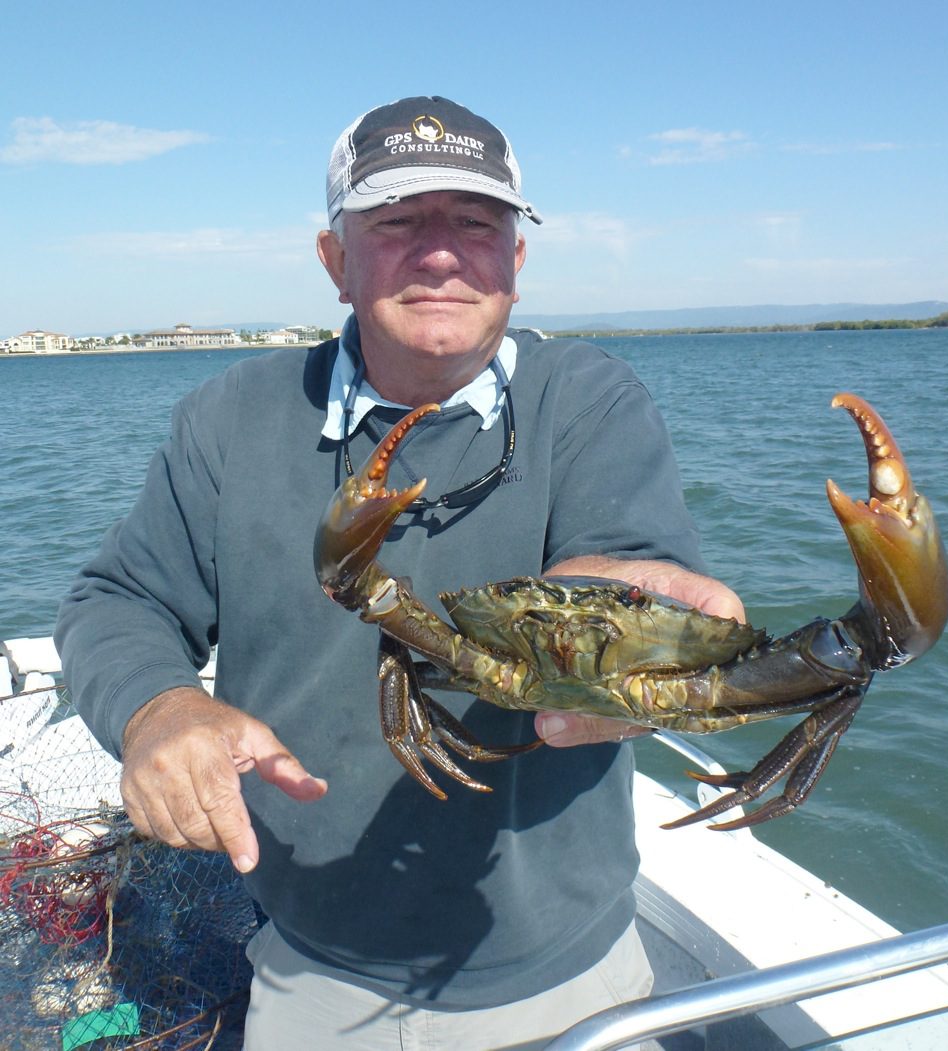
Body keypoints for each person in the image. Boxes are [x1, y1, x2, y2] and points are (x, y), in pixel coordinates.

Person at [56, 95, 743, 1049]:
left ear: (517, 257)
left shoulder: (586, 399)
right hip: (313, 964)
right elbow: (118, 600)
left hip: (572, 970)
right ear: (335, 260)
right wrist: (157, 708)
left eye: (475, 222)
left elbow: (644, 560)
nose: (440, 252)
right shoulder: (233, 417)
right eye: (396, 222)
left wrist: (631, 610)